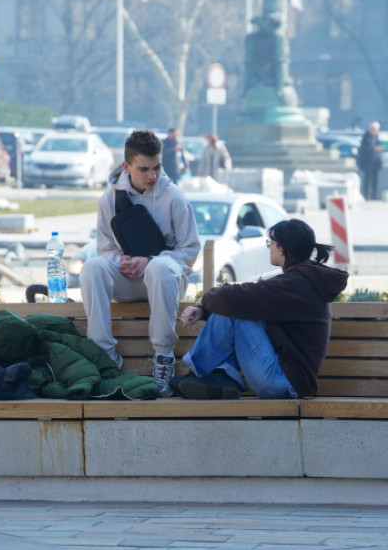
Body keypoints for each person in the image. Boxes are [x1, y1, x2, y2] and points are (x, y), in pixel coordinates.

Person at [80, 129, 201, 396]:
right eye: (144, 169)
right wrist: (120, 261)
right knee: (92, 266)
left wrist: (148, 261)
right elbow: (104, 249)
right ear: (126, 166)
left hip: (166, 280)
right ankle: (104, 354)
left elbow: (190, 250)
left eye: (157, 167)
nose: (152, 176)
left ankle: (164, 357)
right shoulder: (109, 199)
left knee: (158, 268)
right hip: (128, 281)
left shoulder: (174, 197)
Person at [174, 219, 348, 400]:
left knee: (237, 308)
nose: (270, 248)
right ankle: (220, 377)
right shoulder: (302, 281)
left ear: (281, 248)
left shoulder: (296, 285)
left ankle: (201, 375)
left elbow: (242, 296)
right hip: (285, 380)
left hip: (283, 383)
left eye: (270, 244)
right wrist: (205, 310)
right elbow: (250, 299)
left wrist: (204, 301)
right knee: (237, 307)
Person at [358, 121, 382, 201]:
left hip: (375, 161)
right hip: (368, 162)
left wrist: (379, 148)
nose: (375, 131)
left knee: (375, 179)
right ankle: (366, 194)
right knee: (367, 179)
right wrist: (373, 149)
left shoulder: (376, 137)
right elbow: (364, 149)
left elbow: (378, 145)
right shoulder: (366, 137)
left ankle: (374, 194)